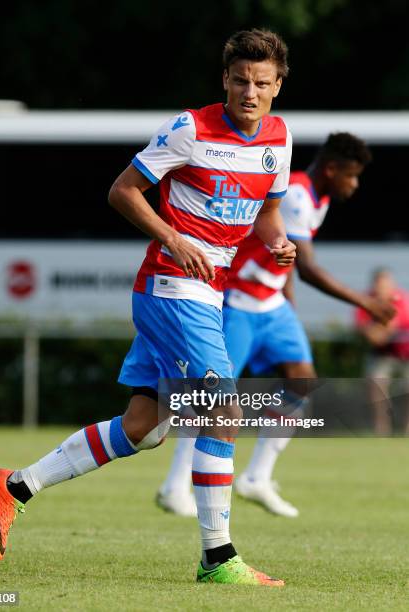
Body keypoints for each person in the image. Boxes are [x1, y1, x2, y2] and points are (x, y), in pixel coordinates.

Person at [0, 29, 296, 585]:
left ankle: (17, 485)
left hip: (206, 293)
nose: (250, 91)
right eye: (241, 80)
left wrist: (277, 241)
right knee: (223, 410)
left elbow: (268, 213)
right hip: (172, 286)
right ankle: (218, 559)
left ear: (278, 86)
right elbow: (122, 191)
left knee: (143, 427)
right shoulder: (190, 128)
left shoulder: (280, 137)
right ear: (224, 80)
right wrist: (173, 238)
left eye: (262, 83)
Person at [157, 132, 395, 519]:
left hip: (271, 304)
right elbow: (309, 269)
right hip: (240, 302)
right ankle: (174, 484)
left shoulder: (320, 199)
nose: (355, 184)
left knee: (302, 379)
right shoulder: (297, 195)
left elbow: (284, 259)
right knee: (213, 396)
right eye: (352, 176)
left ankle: (257, 477)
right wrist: (366, 302)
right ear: (332, 170)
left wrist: (288, 303)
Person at [355, 268, 409, 435]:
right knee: (376, 384)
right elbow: (371, 335)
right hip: (382, 355)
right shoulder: (366, 301)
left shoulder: (400, 299)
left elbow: (389, 328)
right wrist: (379, 330)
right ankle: (382, 430)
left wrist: (378, 329)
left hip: (406, 353)